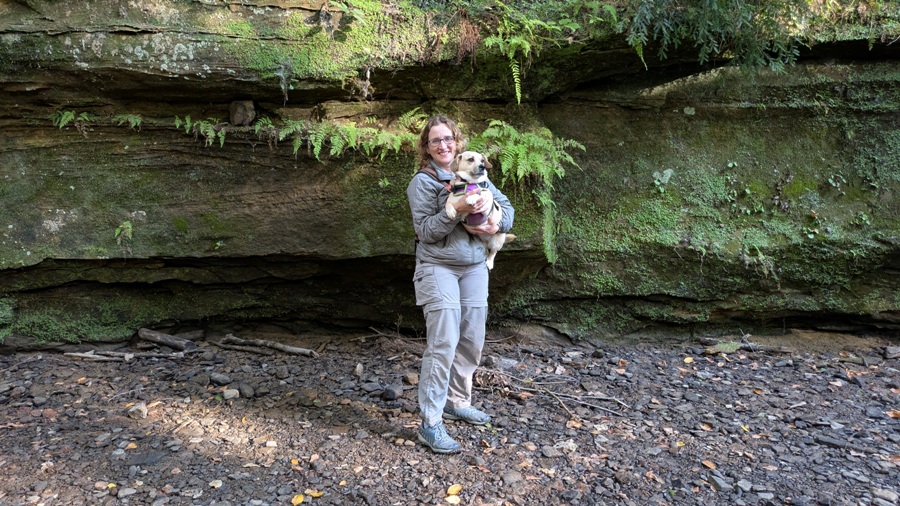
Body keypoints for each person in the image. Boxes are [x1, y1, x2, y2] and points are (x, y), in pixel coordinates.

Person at [406, 115, 515, 454]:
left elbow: (508, 211)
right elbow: (426, 232)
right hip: (437, 267)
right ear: (427, 147)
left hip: (474, 266)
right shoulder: (423, 183)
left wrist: (495, 221)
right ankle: (430, 423)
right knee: (444, 340)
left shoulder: (478, 174)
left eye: (448, 139)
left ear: (457, 144)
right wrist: (453, 212)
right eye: (435, 140)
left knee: (471, 337)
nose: (443, 145)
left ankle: (457, 401)